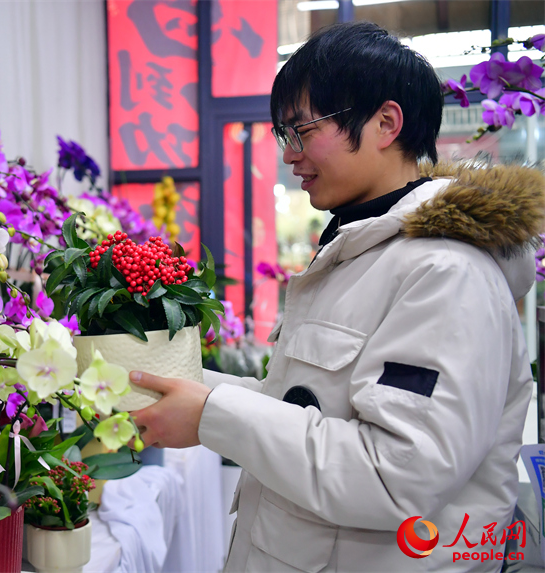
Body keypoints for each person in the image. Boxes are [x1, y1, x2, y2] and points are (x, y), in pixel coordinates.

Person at [130, 21, 544, 572]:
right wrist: (158, 377)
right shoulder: (360, 252)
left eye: (303, 130)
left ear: (385, 122)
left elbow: (395, 472)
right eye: (284, 135)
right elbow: (301, 405)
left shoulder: (447, 272)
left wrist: (212, 415)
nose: (289, 155)